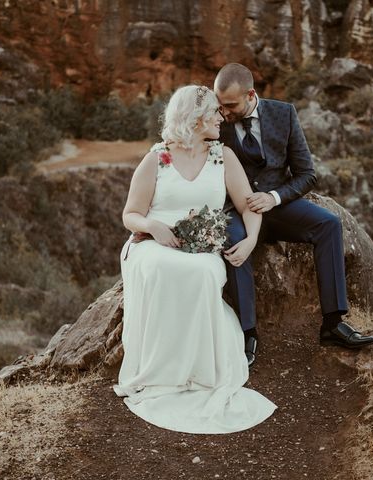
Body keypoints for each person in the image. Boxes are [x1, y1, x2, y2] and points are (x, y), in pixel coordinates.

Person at [113, 85, 276, 434]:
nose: (222, 118)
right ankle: (161, 370)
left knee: (204, 271)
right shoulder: (156, 158)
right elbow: (130, 214)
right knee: (159, 266)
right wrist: (153, 226)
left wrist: (250, 241)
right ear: (196, 119)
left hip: (200, 249)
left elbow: (248, 203)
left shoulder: (224, 156)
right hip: (153, 244)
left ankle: (201, 369)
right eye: (215, 113)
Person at [214, 63, 373, 366]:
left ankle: (333, 323)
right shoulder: (215, 119)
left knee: (329, 223)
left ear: (250, 94)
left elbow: (307, 175)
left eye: (230, 105)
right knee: (235, 243)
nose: (223, 111)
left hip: (277, 206)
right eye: (219, 104)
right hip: (235, 210)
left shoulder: (284, 113)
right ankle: (247, 332)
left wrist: (273, 197)